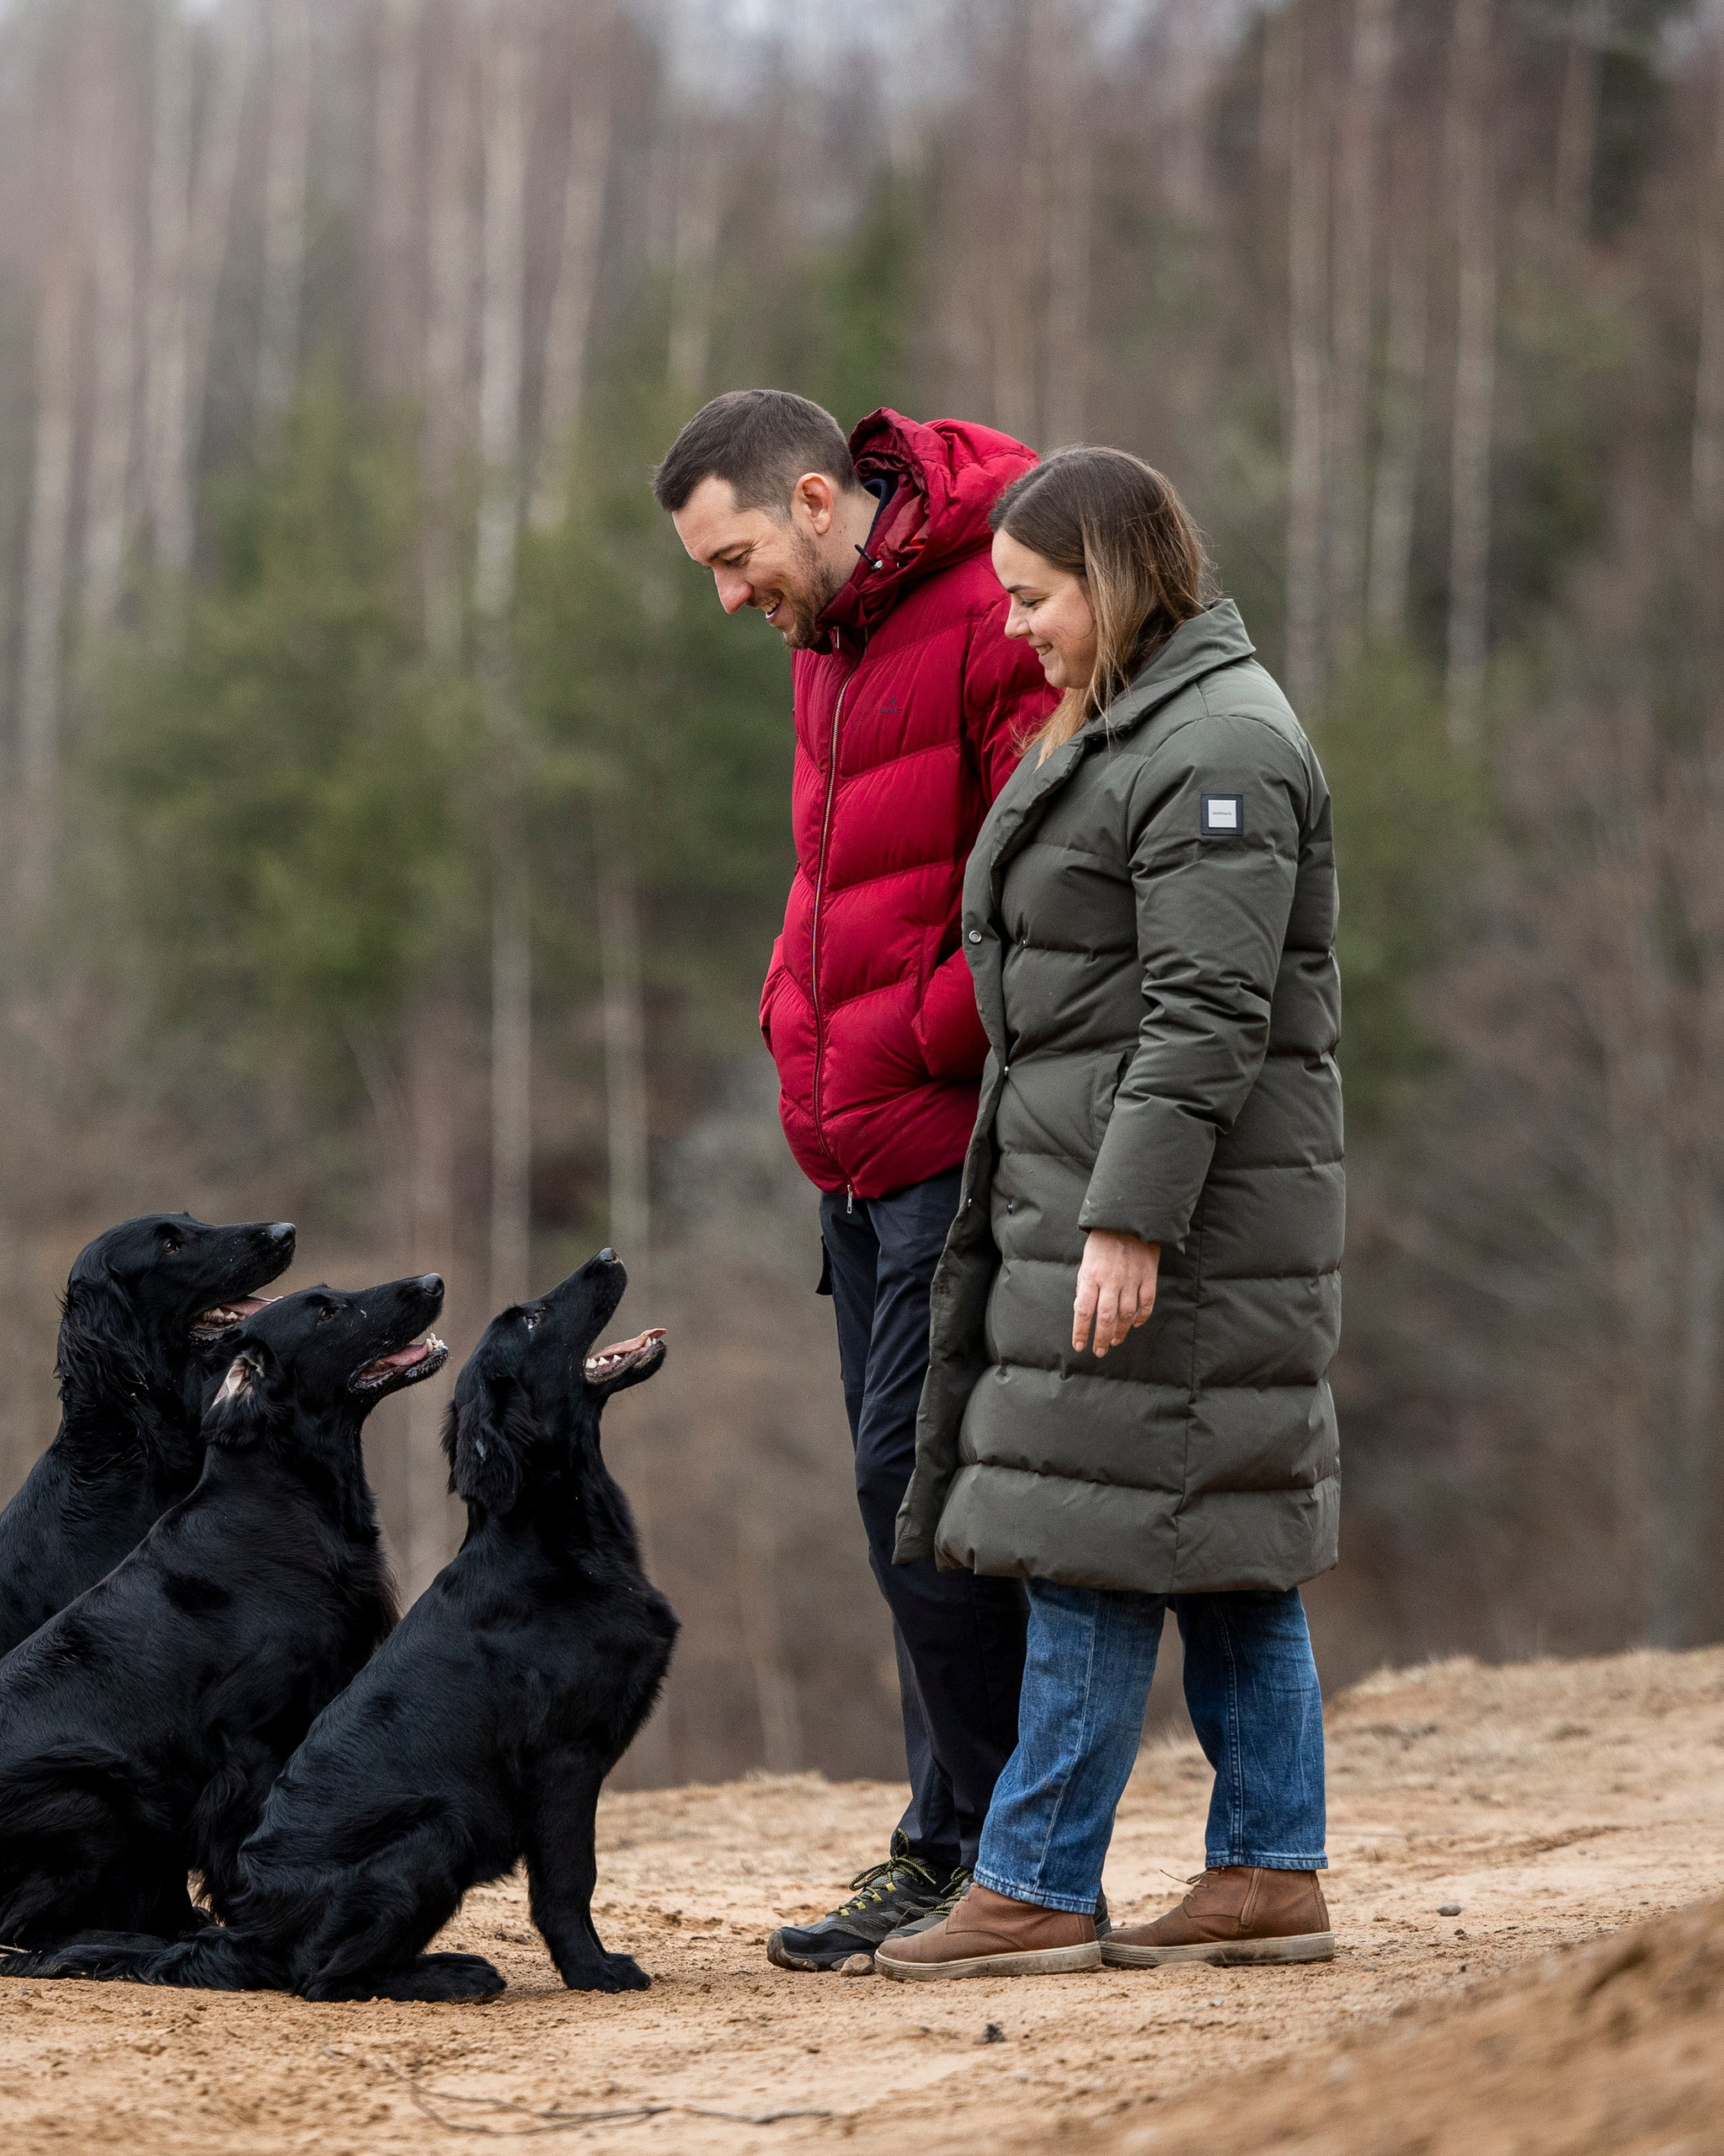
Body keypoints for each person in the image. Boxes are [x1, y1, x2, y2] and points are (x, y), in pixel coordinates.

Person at [877, 446, 1342, 1981]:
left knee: (1093, 1531)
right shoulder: (1145, 721)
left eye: (1036, 597)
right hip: (1114, 1192)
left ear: (1116, 579)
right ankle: (1268, 1873)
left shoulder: (1222, 748)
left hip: (1176, 1220)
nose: (1018, 628)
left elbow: (1207, 1010)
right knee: (1218, 1545)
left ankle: (1035, 1881)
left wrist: (1130, 1221)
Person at [653, 389, 1057, 1970]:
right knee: (904, 1501)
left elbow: (1046, 885)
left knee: (925, 1497)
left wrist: (904, 1043)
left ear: (817, 500)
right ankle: (959, 1843)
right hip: (855, 1157)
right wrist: (793, 1018)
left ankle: (992, 1858)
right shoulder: (832, 635)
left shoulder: (991, 605)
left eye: (738, 556)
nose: (730, 596)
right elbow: (840, 877)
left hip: (952, 1140)